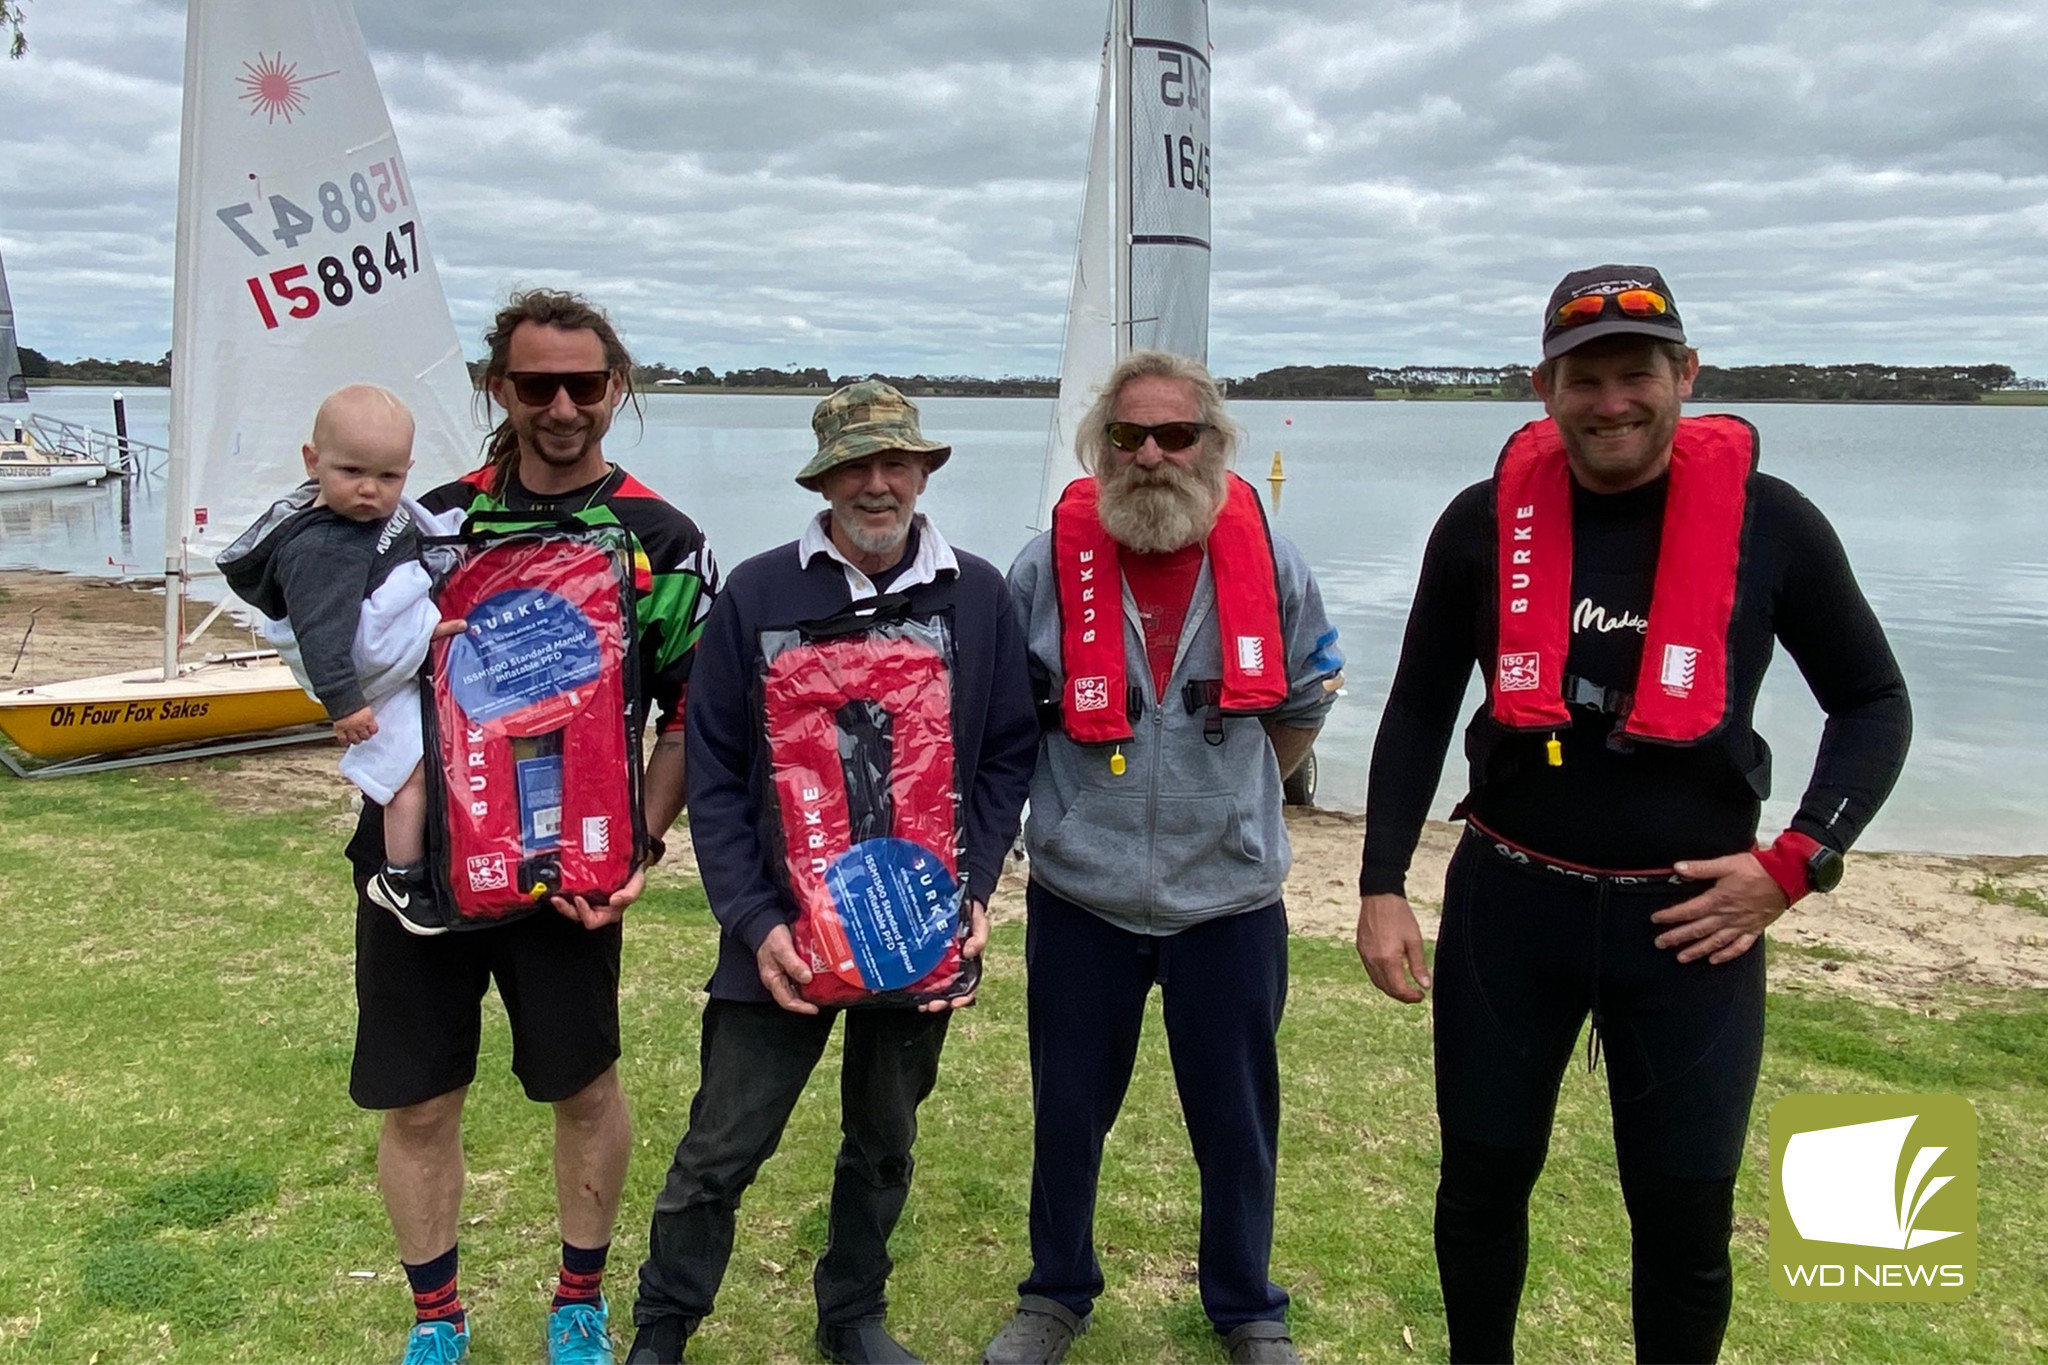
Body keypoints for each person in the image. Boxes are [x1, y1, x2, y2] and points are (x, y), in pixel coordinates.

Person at [1355, 265, 1912, 1363]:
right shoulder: (1478, 524)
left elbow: (1872, 702)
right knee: (1477, 1190)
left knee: (1683, 1220)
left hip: (1689, 928)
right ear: (1544, 388)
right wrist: (1379, 884)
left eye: (1635, 374)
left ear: (1684, 375)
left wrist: (1798, 862)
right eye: (1583, 379)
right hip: (1510, 908)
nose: (1610, 402)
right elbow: (1419, 705)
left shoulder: (1772, 523)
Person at [625, 380, 1037, 1365]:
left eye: (896, 462)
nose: (877, 482)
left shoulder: (977, 594)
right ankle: (662, 1328)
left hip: (917, 928)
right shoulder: (760, 594)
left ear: (923, 472)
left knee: (884, 1143)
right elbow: (713, 766)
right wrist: (754, 921)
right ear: (824, 477)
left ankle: (851, 1316)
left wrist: (970, 891)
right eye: (856, 464)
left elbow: (1006, 754)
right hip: (778, 936)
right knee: (720, 1148)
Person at [348, 290, 719, 1365]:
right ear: (495, 388)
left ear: (616, 388)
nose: (561, 407)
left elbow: (693, 718)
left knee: (580, 1084)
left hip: (570, 866)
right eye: (534, 385)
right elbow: (357, 664)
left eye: (584, 385)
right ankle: (435, 1321)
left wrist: (633, 850)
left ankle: (577, 1300)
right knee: (418, 1101)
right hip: (424, 872)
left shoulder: (659, 540)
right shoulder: (426, 525)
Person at [986, 350, 1342, 1365]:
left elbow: (1306, 696)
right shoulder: (1043, 566)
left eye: (1173, 435)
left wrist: (1226, 803)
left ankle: (1245, 1306)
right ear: (1097, 449)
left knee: (1234, 1123)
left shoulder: (1268, 558)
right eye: (1126, 437)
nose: (1149, 455)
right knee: (1065, 1116)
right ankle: (1053, 1295)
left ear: (1213, 446)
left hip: (1226, 898)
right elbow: (1007, 716)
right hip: (1079, 893)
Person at [220, 384, 462, 933]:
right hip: (367, 690)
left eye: (389, 477)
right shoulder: (320, 550)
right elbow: (321, 636)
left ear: (407, 470)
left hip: (402, 661)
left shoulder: (369, 520)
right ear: (312, 461)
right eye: (351, 472)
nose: (370, 491)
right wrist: (344, 704)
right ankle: (401, 873)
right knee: (412, 771)